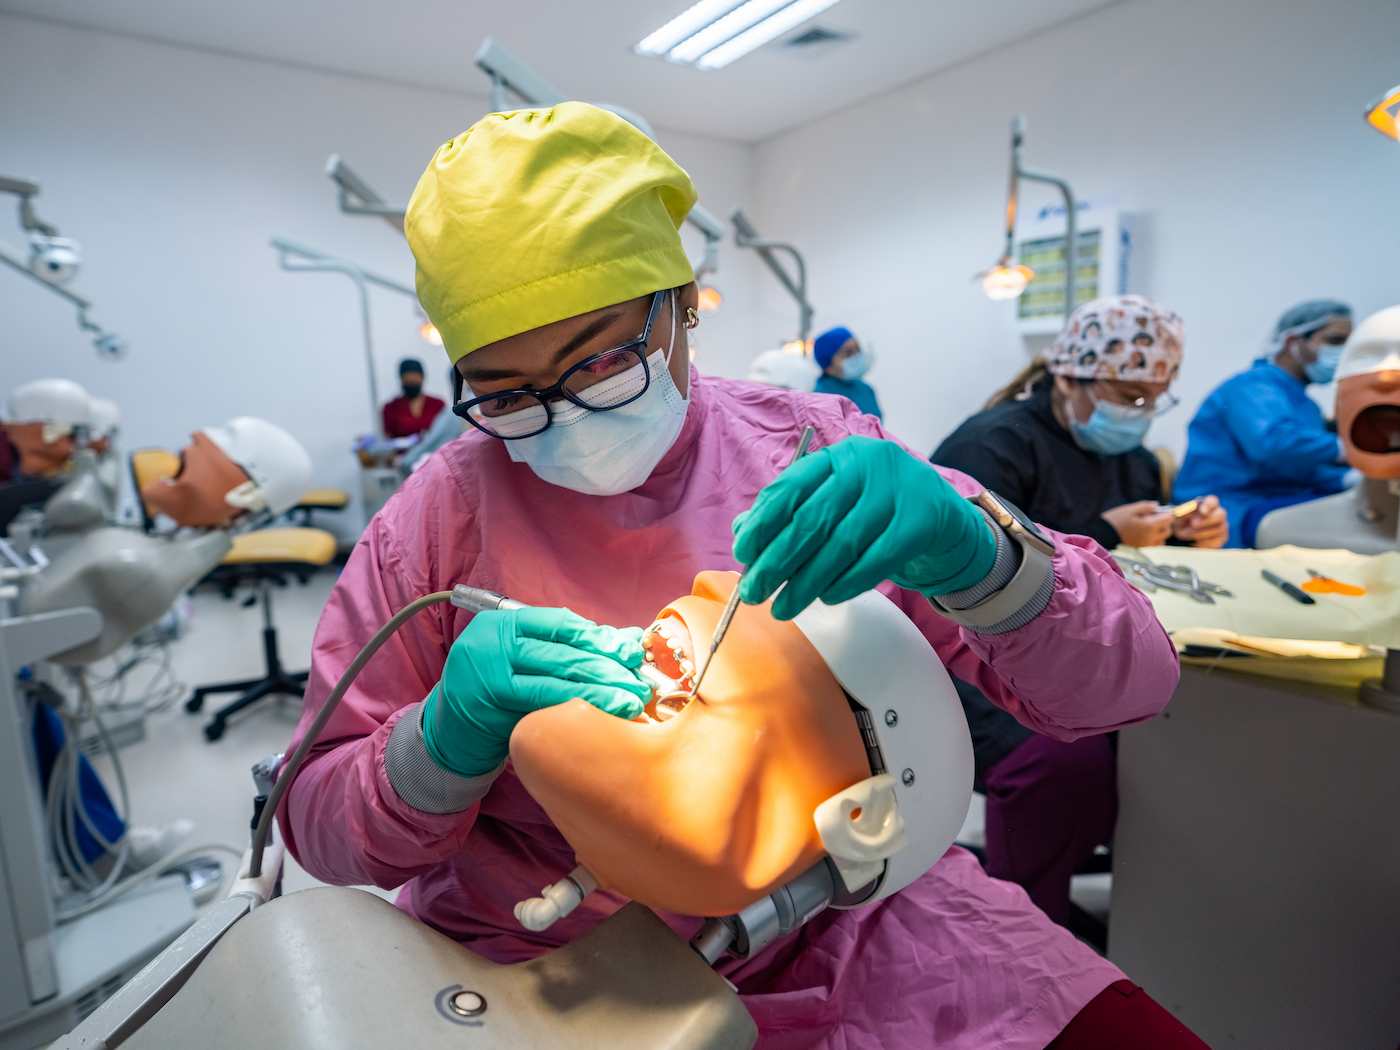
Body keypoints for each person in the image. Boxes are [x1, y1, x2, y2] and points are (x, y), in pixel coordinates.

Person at [276, 103, 1202, 1048]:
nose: (563, 419)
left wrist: (980, 555)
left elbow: (1130, 685)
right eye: (508, 394)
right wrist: (441, 742)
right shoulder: (433, 526)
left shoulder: (811, 448)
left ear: (681, 306)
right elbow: (318, 824)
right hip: (547, 966)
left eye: (598, 360)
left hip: (854, 916)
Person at [931, 294, 1226, 929]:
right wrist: (1100, 529)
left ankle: (1143, 913)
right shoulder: (994, 444)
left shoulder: (1137, 462)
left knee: (1172, 742)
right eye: (1128, 394)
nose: (1139, 413)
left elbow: (1126, 574)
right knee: (1063, 763)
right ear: (1070, 374)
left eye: (1154, 398)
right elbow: (965, 569)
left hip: (1080, 651)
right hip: (972, 652)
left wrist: (1183, 534)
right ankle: (1024, 920)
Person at [1175, 299, 1353, 547]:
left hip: (1276, 498)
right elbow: (1273, 445)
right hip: (1229, 509)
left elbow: (1303, 470)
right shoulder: (1252, 387)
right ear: (1293, 342)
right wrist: (1347, 449)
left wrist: (1347, 480)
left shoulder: (1305, 404)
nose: (1345, 352)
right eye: (1335, 341)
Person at [812, 325, 882, 418]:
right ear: (828, 366)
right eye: (848, 353)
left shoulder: (866, 389)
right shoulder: (820, 398)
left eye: (858, 349)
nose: (856, 355)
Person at [381, 356, 446, 439]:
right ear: (401, 380)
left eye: (415, 378)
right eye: (407, 379)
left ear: (422, 378)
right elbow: (388, 439)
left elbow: (445, 433)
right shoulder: (390, 408)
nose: (411, 382)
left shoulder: (438, 404)